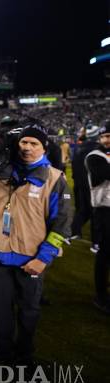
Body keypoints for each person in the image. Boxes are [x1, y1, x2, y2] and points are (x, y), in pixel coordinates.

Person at [0, 124, 72, 366]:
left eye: (34, 143)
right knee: (0, 309)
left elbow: (61, 224)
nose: (27, 147)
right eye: (24, 142)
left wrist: (43, 258)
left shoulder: (54, 179)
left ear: (44, 148)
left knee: (29, 311)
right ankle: (3, 351)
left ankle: (24, 355)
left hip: (31, 259)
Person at [85, 122, 110, 314]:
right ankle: (101, 296)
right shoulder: (94, 156)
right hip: (104, 211)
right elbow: (105, 173)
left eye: (109, 136)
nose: (106, 140)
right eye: (104, 136)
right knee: (105, 254)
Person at [71, 125, 100, 243]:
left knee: (82, 210)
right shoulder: (98, 149)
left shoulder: (79, 147)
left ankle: (74, 231)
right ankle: (96, 241)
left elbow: (74, 165)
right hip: (91, 185)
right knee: (95, 212)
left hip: (78, 184)